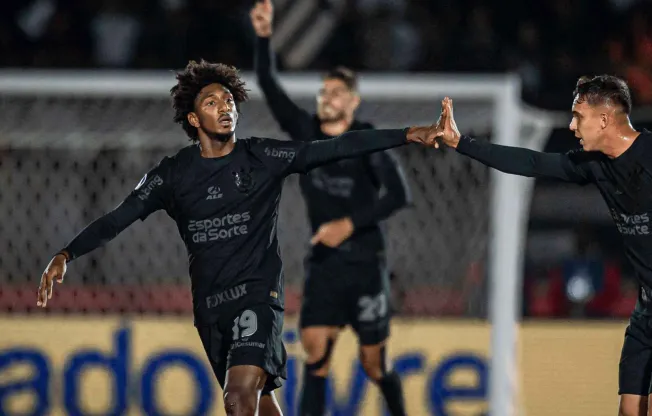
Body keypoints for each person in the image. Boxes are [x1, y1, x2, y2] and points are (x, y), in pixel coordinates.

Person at [36, 60, 442, 416]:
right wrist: (67, 254)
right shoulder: (172, 175)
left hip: (257, 297)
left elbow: (336, 147)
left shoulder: (262, 157)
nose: (225, 107)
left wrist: (407, 133)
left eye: (229, 100)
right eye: (212, 103)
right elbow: (118, 217)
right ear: (194, 120)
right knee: (258, 404)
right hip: (211, 309)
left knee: (237, 398)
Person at [437, 75, 652, 416]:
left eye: (578, 116)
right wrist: (461, 143)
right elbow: (533, 163)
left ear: (604, 119)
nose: (572, 126)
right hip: (648, 312)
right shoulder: (595, 164)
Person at [250, 1, 410, 414]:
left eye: (336, 92)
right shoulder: (307, 134)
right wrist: (264, 36)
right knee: (315, 355)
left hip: (364, 265)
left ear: (353, 102)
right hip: (325, 265)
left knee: (374, 365)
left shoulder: (367, 139)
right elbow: (268, 84)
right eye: (324, 91)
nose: (327, 98)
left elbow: (398, 194)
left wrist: (347, 224)